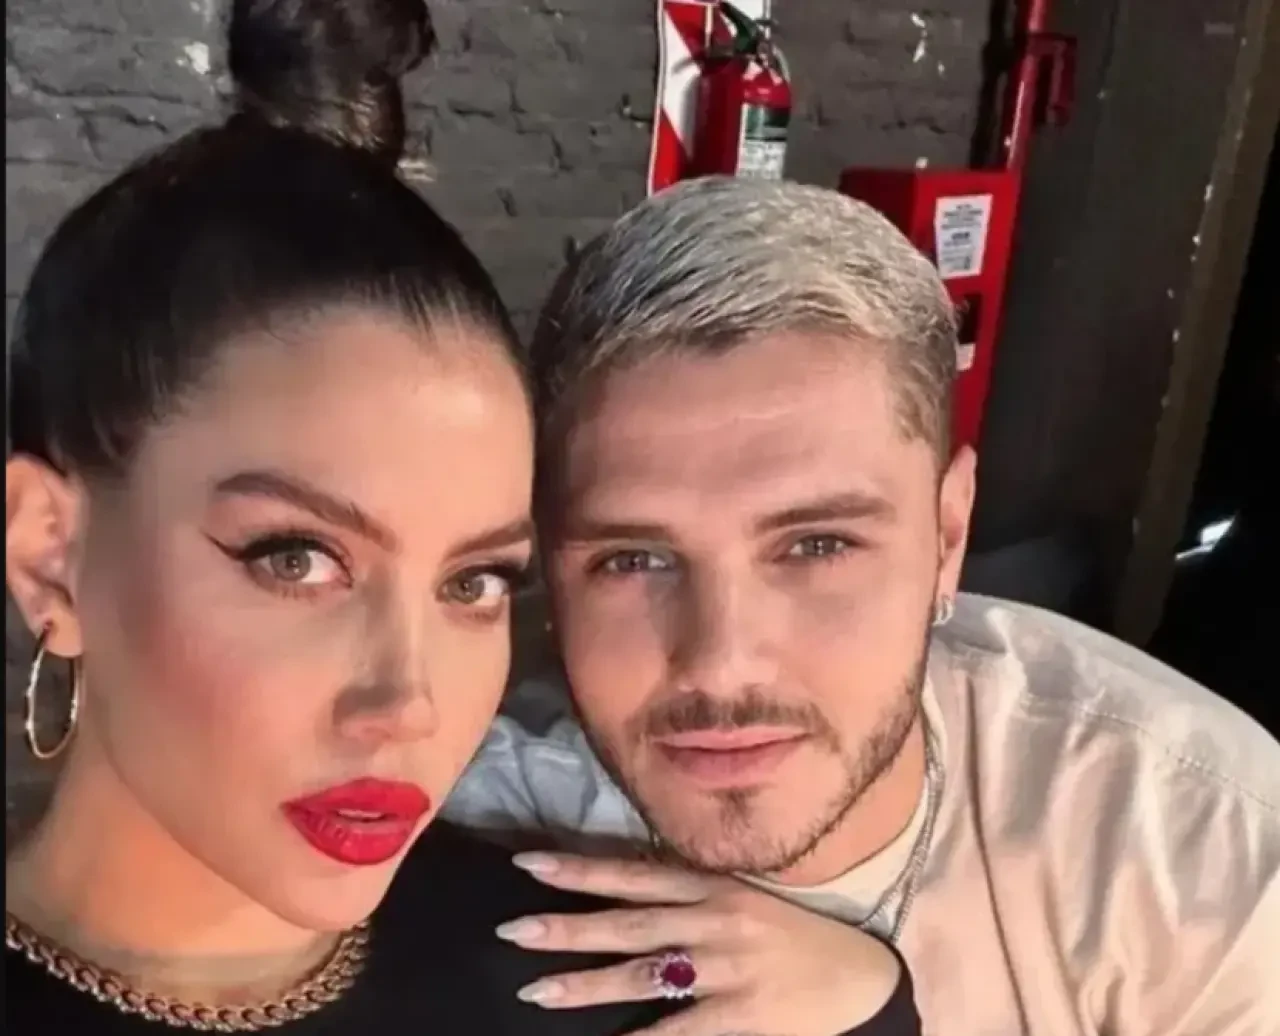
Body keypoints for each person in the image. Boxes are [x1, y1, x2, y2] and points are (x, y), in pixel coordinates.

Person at [3, 4, 918, 1034]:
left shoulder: (614, 980)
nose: (411, 704)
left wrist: (869, 999)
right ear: (51, 557)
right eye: (297, 559)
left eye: (472, 583)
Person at [444, 176, 1280, 1034]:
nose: (723, 662)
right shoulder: (465, 806)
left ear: (947, 535)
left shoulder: (1205, 857)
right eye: (633, 559)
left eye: (817, 546)